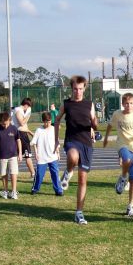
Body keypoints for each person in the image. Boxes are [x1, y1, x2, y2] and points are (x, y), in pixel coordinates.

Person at [54, 75, 98, 225]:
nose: (77, 92)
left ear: (84, 88)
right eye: (75, 89)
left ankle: (79, 212)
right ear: (71, 89)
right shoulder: (66, 104)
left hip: (86, 143)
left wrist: (94, 125)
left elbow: (94, 122)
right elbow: (57, 119)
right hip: (72, 140)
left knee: (82, 180)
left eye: (80, 89)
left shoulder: (89, 104)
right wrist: (56, 140)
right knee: (72, 157)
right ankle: (67, 172)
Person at [103, 92, 133, 218]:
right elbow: (109, 126)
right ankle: (123, 177)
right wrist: (106, 138)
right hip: (122, 144)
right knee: (127, 159)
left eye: (131, 103)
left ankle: (130, 206)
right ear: (122, 104)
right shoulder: (117, 114)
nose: (128, 105)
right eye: (126, 103)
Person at [30, 112, 63, 196]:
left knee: (55, 174)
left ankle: (58, 190)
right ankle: (35, 188)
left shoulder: (54, 129)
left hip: (52, 156)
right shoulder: (39, 130)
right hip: (42, 157)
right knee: (39, 175)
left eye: (49, 122)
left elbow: (56, 142)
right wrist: (36, 153)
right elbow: (34, 142)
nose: (47, 124)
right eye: (45, 122)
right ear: (43, 121)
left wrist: (58, 153)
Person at [0, 112, 22, 200]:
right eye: (3, 124)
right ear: (0, 122)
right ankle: (5, 191)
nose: (5, 125)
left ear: (9, 120)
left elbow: (18, 141)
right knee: (4, 174)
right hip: (2, 156)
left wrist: (20, 153)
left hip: (13, 155)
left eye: (6, 123)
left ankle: (14, 192)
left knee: (13, 174)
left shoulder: (14, 128)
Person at [12, 98, 35, 178]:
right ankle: (12, 173)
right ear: (26, 105)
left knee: (25, 155)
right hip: (20, 134)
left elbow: (24, 126)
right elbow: (21, 123)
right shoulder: (18, 110)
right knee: (25, 155)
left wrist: (30, 132)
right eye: (29, 106)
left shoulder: (23, 111)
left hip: (23, 133)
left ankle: (32, 173)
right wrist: (28, 116)